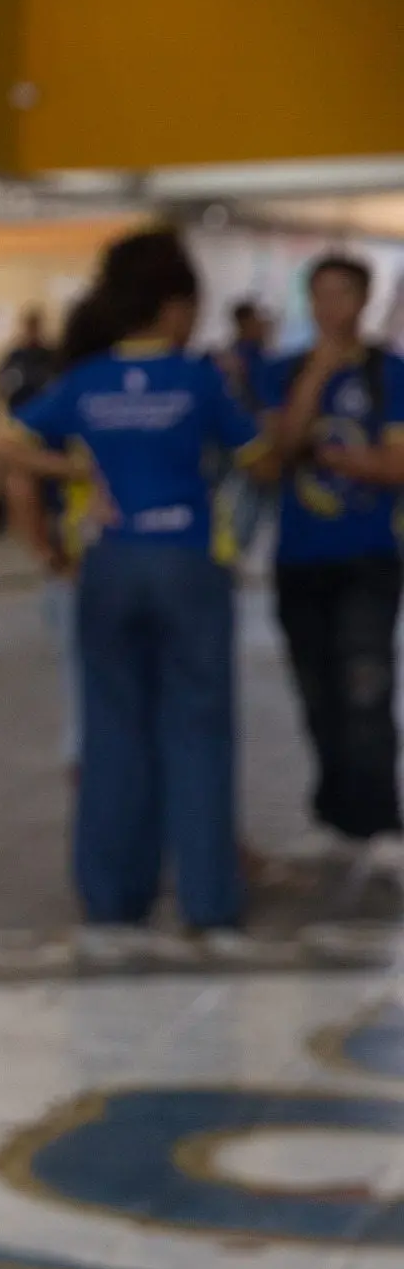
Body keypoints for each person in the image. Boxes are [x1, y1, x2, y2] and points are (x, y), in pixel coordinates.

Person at [0, 229, 263, 933]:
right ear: (176, 306)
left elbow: (6, 441)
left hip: (109, 565)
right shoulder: (199, 379)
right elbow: (259, 456)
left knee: (113, 731)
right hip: (187, 562)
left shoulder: (84, 381)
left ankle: (113, 895)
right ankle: (209, 899)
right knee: (199, 730)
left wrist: (79, 472)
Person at [257, 254, 404, 871]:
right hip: (300, 559)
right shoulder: (283, 373)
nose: (329, 307)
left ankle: (380, 819)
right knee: (317, 693)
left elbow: (395, 467)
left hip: (369, 557)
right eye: (317, 296)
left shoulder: (388, 374)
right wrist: (313, 381)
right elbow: (274, 455)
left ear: (364, 300)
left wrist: (333, 459)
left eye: (341, 294)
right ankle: (337, 814)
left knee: (366, 688)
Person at [0, 307, 58, 537]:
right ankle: (0, 520)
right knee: (9, 470)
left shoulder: (50, 356)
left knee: (43, 474)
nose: (31, 331)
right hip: (19, 422)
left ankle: (46, 520)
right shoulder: (14, 356)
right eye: (28, 326)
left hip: (47, 425)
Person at [219, 298, 277, 412]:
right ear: (246, 324)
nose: (262, 324)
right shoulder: (240, 359)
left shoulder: (257, 353)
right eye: (256, 319)